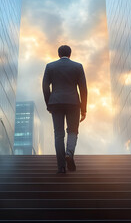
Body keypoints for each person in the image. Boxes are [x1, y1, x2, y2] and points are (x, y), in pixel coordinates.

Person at [42, 45, 88, 174]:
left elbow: (45, 87)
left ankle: (61, 167)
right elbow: (83, 89)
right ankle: (69, 153)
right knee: (73, 131)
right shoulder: (78, 67)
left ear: (58, 54)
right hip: (73, 103)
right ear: (70, 54)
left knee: (58, 134)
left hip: (55, 103)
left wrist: (49, 103)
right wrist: (83, 109)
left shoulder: (50, 66)